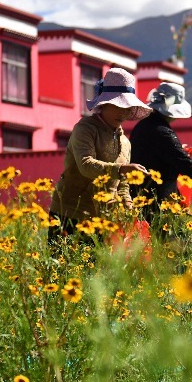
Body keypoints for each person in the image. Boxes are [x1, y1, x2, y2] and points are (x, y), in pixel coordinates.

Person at [48, 67, 152, 252]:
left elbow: (122, 185)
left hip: (103, 219)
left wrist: (128, 207)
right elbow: (86, 165)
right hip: (70, 212)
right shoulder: (85, 128)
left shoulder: (125, 142)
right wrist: (121, 169)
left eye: (126, 108)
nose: (122, 113)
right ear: (104, 104)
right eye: (117, 106)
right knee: (64, 264)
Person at [129, 82, 192, 223]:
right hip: (160, 203)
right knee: (174, 236)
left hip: (141, 197)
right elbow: (188, 168)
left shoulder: (143, 126)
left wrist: (176, 149)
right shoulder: (163, 132)